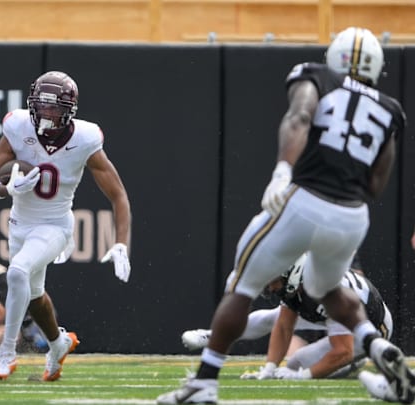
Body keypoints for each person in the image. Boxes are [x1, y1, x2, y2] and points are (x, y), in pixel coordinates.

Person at [157, 27, 413, 404]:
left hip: (307, 197)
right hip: (352, 216)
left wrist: (282, 171)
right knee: (329, 290)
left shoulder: (317, 75)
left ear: (335, 57)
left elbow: (299, 118)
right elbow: (376, 183)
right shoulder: (391, 110)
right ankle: (375, 345)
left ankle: (204, 382)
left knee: (242, 284)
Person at [0, 70, 132, 381]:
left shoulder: (85, 139)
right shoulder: (17, 125)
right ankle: (58, 343)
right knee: (34, 296)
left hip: (55, 226)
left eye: (54, 107)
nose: (46, 113)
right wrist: (6, 190)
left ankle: (6, 354)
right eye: (41, 105)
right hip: (19, 224)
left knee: (17, 271)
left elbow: (118, 195)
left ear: (69, 110)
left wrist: (121, 243)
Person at [185, 254, 392, 379]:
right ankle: (213, 335)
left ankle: (355, 365)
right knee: (273, 318)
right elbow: (284, 327)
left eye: (275, 280)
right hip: (330, 314)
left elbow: (343, 350)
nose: (270, 286)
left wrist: (304, 376)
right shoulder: (298, 284)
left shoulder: (326, 290)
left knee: (298, 365)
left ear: (292, 274)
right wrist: (269, 369)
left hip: (371, 327)